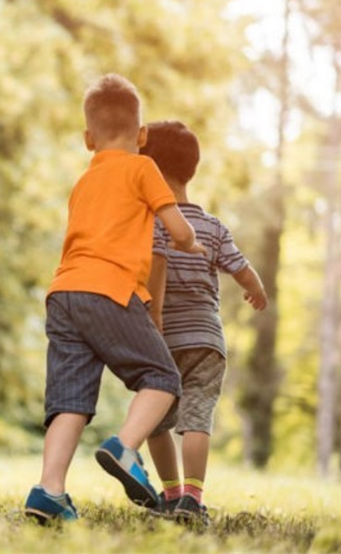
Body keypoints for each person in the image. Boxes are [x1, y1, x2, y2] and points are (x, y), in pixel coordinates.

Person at [22, 73, 205, 524]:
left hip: (64, 293)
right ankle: (125, 447)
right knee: (163, 379)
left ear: (88, 139)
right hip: (110, 290)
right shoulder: (143, 167)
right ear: (142, 136)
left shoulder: (84, 182)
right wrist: (191, 242)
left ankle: (49, 491)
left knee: (69, 401)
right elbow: (177, 227)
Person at [141, 121, 268, 526]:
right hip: (207, 341)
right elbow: (242, 269)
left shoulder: (150, 222)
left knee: (155, 421)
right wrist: (257, 291)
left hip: (162, 339)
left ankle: (172, 494)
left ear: (150, 170)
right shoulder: (212, 226)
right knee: (198, 417)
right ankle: (193, 499)